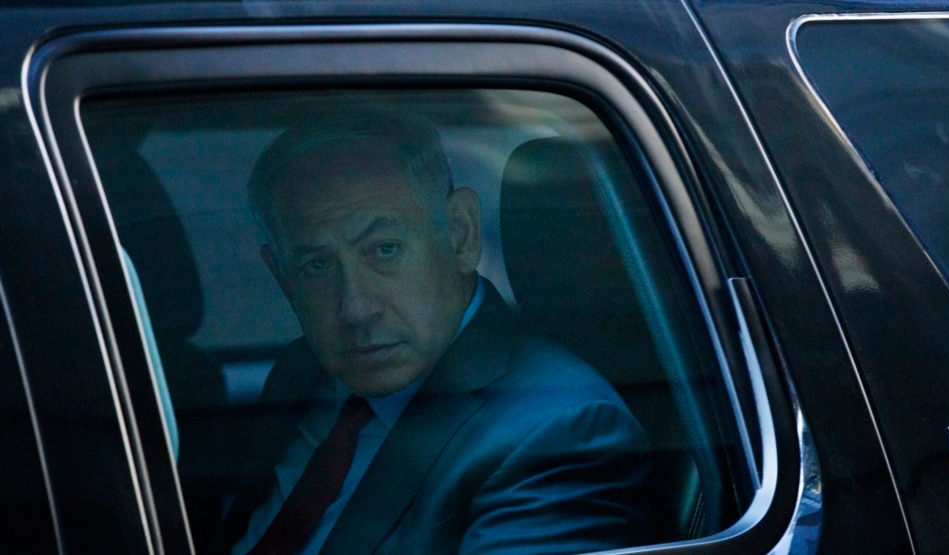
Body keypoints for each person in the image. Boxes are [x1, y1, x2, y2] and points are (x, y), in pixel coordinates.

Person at [207, 112, 652, 555]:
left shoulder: (557, 431)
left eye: (385, 250)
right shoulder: (302, 371)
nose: (356, 309)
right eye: (317, 266)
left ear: (460, 235)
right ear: (282, 277)